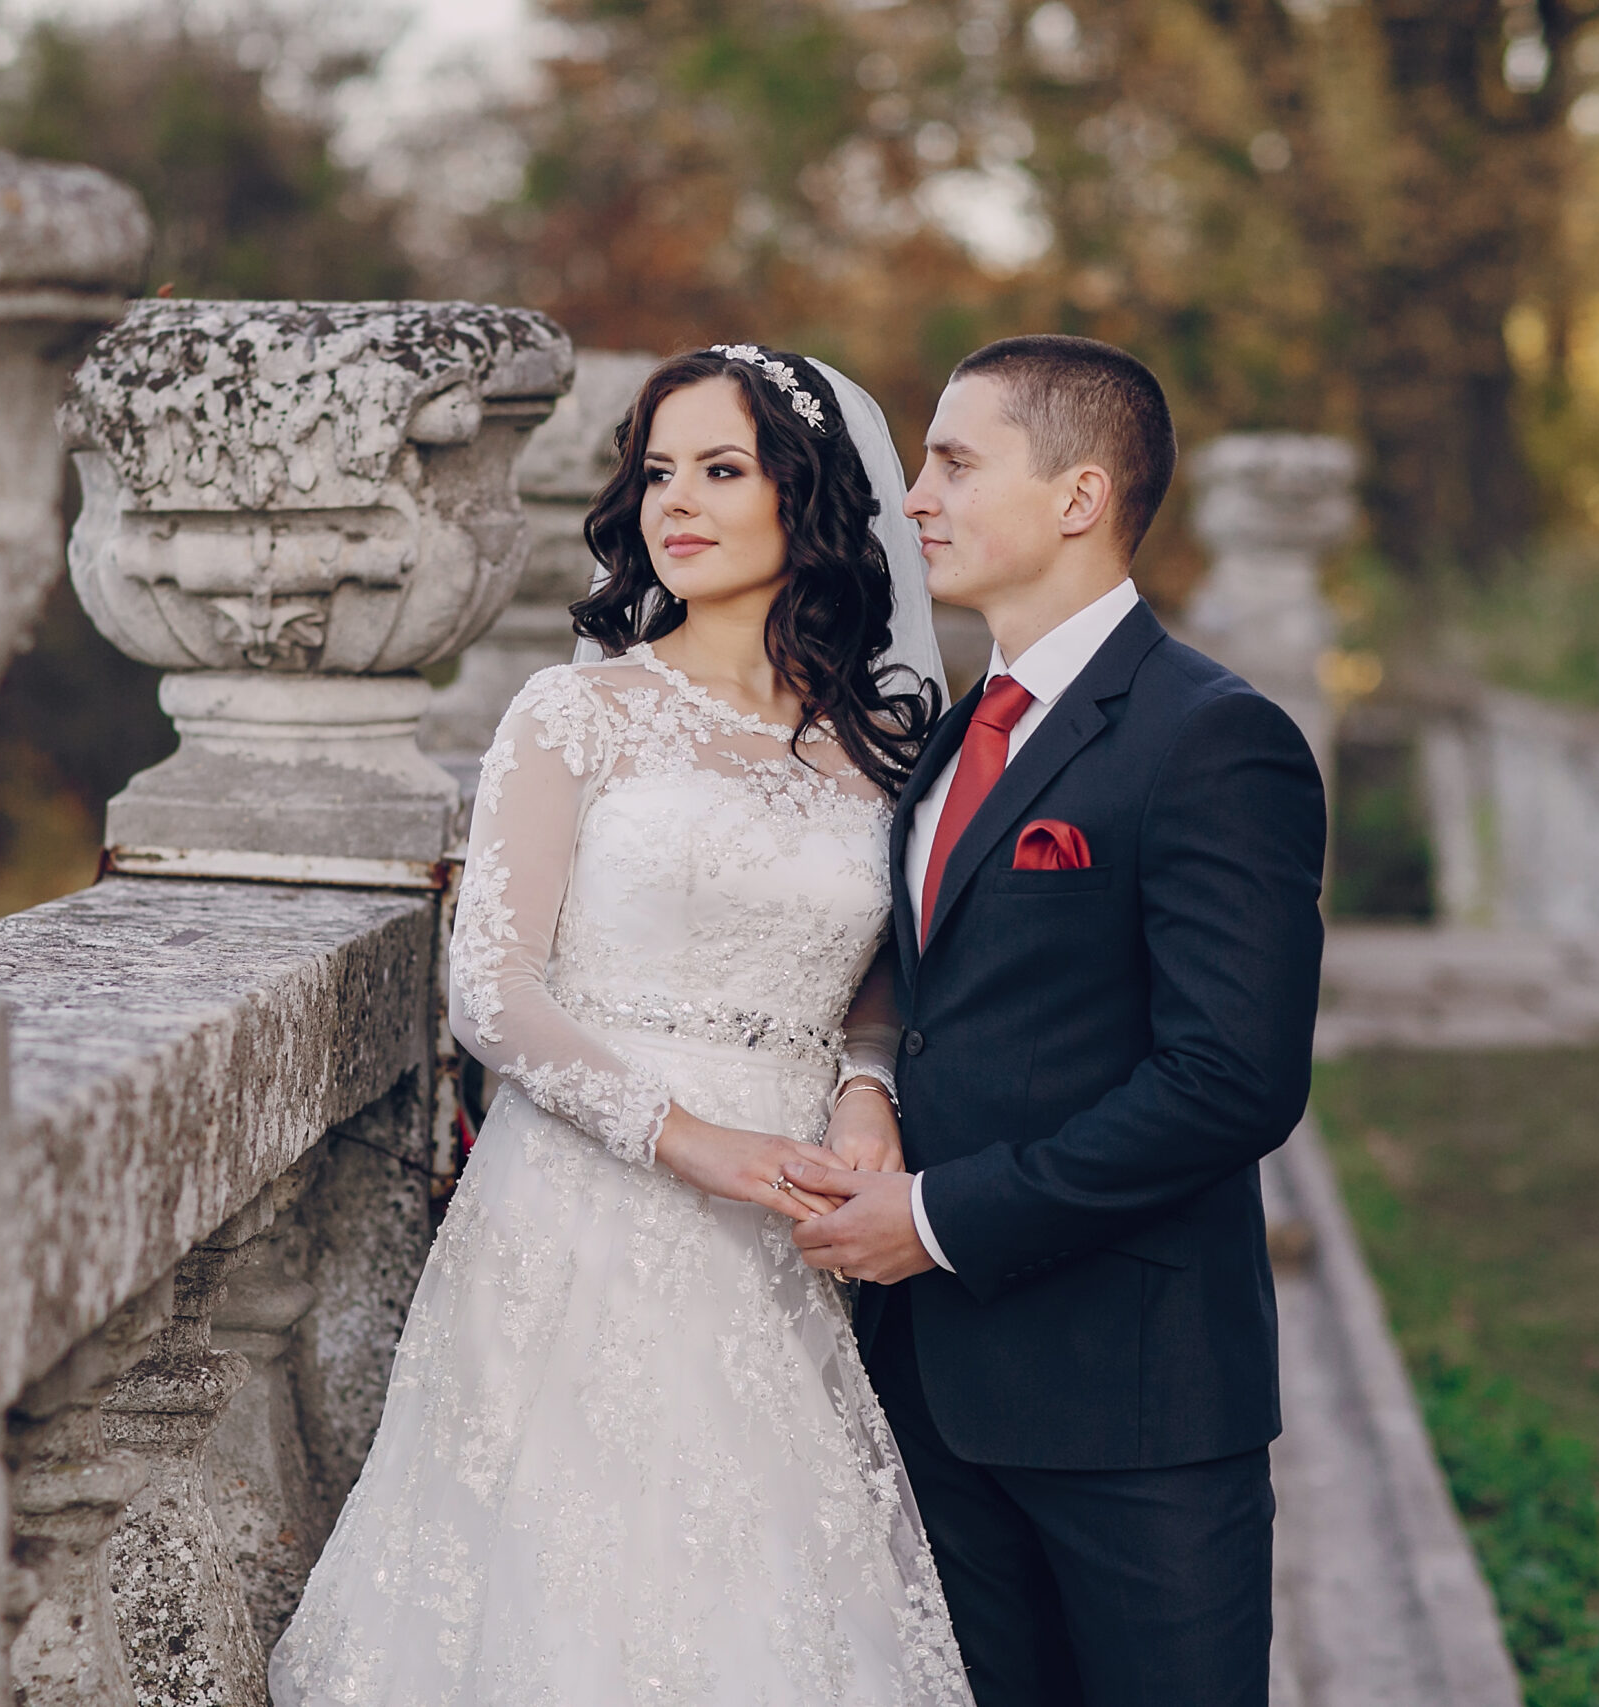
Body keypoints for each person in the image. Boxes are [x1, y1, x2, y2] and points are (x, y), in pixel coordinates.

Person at [268, 346, 972, 1705]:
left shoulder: (880, 742)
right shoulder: (576, 713)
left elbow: (872, 969)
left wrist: (868, 1087)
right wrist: (693, 1139)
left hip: (787, 1220)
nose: (677, 502)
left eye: (721, 468)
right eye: (658, 471)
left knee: (760, 1602)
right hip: (584, 1206)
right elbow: (493, 991)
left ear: (808, 497)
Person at [782, 335, 1328, 1706]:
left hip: (1132, 1405)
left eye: (956, 462)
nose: (916, 497)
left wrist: (939, 1217)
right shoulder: (949, 739)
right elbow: (934, 999)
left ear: (1080, 496)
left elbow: (1231, 1079)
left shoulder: (1215, 738)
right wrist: (869, 1091)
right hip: (929, 1394)